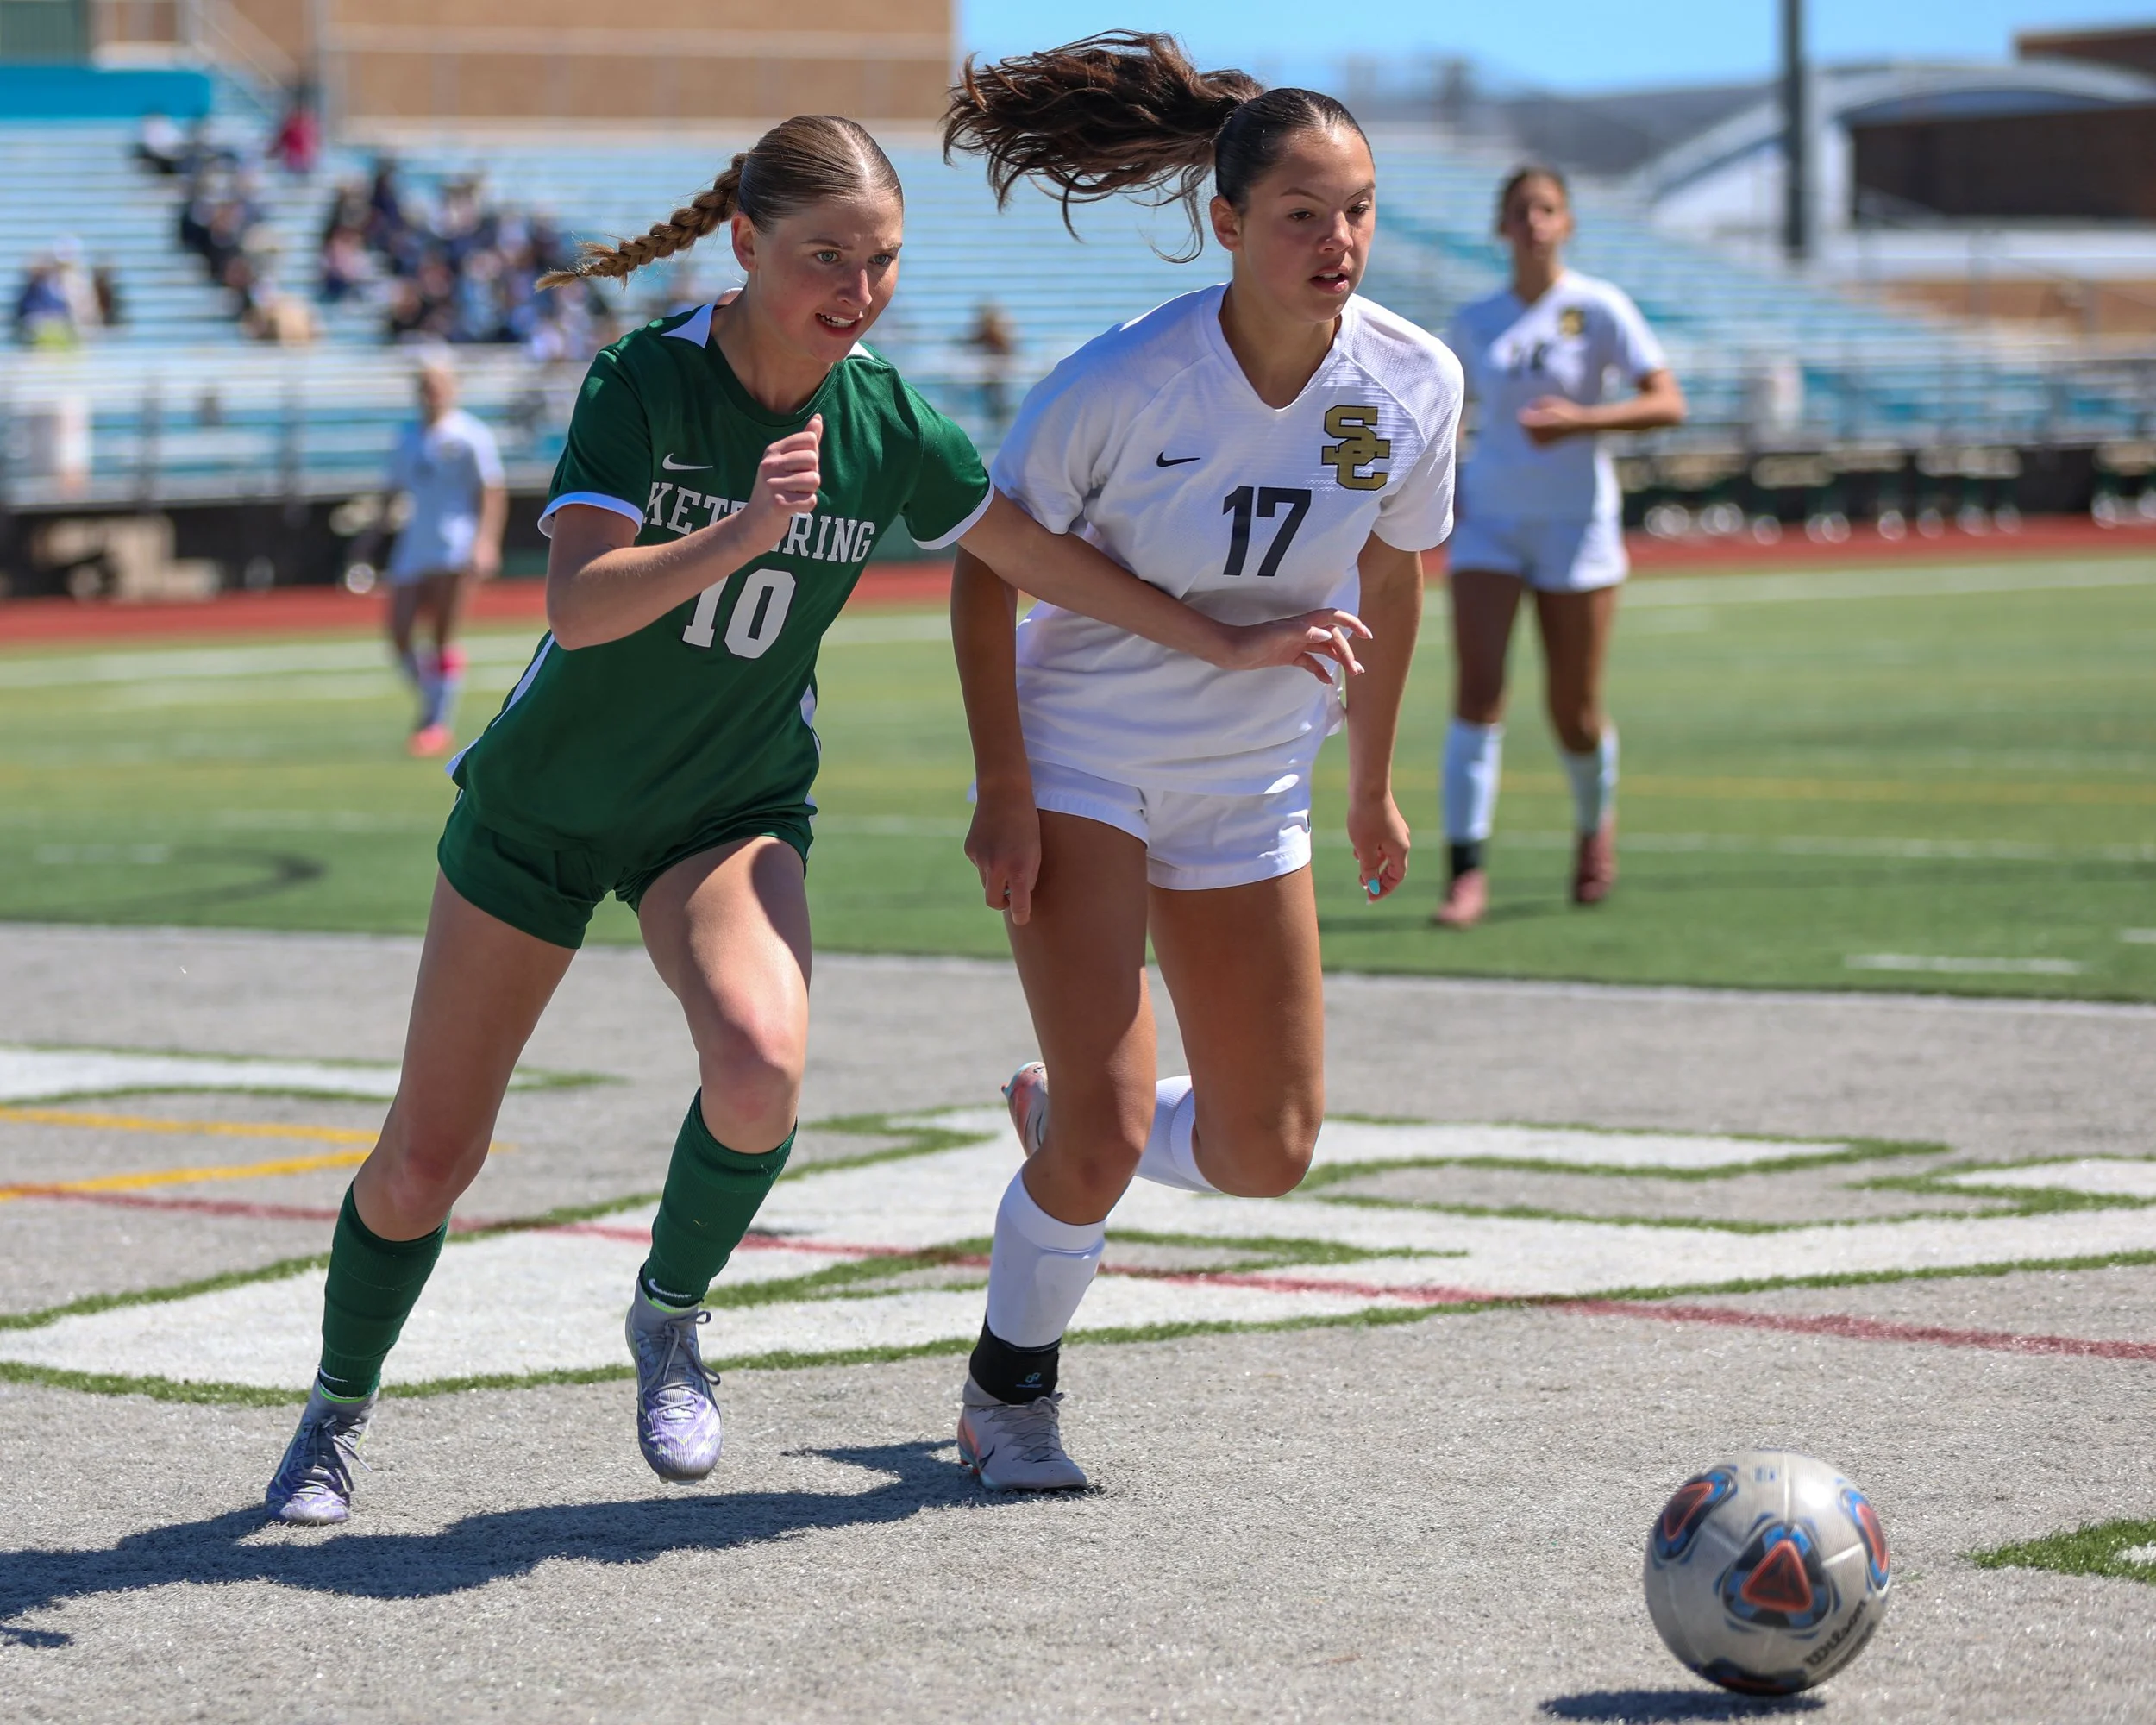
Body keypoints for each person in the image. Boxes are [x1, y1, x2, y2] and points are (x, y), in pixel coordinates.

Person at [261, 113, 1367, 1527]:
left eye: (885, 262)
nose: (858, 290)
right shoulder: (644, 379)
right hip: (544, 806)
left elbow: (1034, 555)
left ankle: (667, 1316)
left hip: (723, 813)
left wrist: (1220, 644)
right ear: (744, 244)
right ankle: (334, 1412)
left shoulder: (884, 419)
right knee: (426, 1162)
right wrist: (736, 531)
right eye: (826, 258)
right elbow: (577, 609)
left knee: (761, 1064)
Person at [940, 34, 1462, 1490]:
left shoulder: (1414, 383)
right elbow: (986, 564)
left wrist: (1370, 777)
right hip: (1085, 755)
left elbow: (1397, 572)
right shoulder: (1123, 381)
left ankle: (1060, 1123)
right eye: (1302, 213)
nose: (1337, 241)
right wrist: (1000, 787)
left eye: (1356, 209)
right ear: (1226, 224)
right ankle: (1008, 1394)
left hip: (1253, 779)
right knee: (1107, 1141)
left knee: (1269, 1148)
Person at [1432, 166, 1685, 928]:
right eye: (1518, 212)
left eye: (1545, 210)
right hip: (1490, 524)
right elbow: (1435, 416)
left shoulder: (1599, 307)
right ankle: (1465, 873)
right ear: (1500, 228)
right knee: (1478, 696)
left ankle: (1591, 832)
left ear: (1567, 223)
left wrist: (1581, 421)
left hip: (1577, 525)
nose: (1533, 223)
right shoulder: (1475, 321)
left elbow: (1667, 401)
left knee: (1573, 709)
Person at [362, 360, 505, 756]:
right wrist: (369, 540)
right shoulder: (407, 436)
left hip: (454, 545)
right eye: (425, 385)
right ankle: (433, 703)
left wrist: (485, 542)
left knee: (443, 635)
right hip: (414, 544)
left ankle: (436, 723)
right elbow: (393, 492)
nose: (432, 392)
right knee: (400, 633)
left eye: (438, 384)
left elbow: (492, 491)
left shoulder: (471, 434)